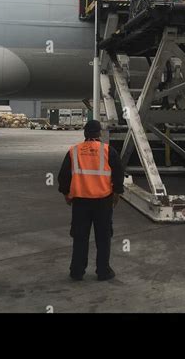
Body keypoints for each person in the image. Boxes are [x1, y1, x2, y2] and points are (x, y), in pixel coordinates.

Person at [57, 119, 124, 281]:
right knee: (103, 237)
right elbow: (119, 174)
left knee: (80, 237)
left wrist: (66, 194)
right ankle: (103, 271)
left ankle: (77, 271)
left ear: (85, 133)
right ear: (99, 133)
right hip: (103, 201)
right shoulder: (108, 151)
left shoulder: (74, 151)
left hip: (80, 202)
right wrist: (117, 193)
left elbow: (63, 176)